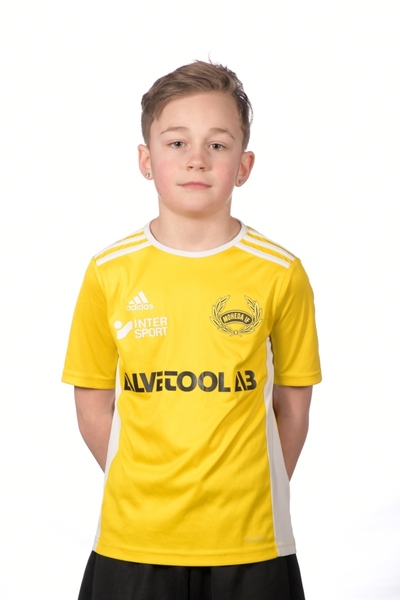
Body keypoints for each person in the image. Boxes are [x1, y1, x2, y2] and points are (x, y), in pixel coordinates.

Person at [62, 60, 322, 600]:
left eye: (217, 145)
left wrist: (249, 492)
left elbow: (293, 408)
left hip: (250, 544)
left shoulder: (280, 273)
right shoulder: (109, 272)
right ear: (146, 160)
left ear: (244, 165)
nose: (197, 159)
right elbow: (92, 406)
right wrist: (148, 488)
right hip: (133, 541)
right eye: (177, 143)